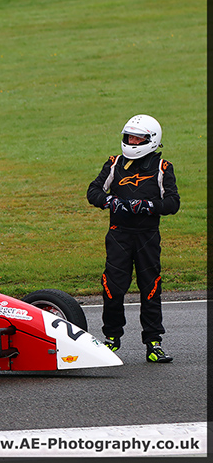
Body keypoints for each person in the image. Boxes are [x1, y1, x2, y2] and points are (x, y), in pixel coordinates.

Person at [87, 114, 180, 363]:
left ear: (151, 140)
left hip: (148, 238)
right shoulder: (114, 163)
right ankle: (110, 340)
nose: (132, 141)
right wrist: (110, 201)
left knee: (151, 288)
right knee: (112, 288)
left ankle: (153, 343)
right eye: (129, 137)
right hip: (119, 236)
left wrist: (147, 206)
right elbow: (93, 190)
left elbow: (173, 202)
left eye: (138, 138)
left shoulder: (163, 168)